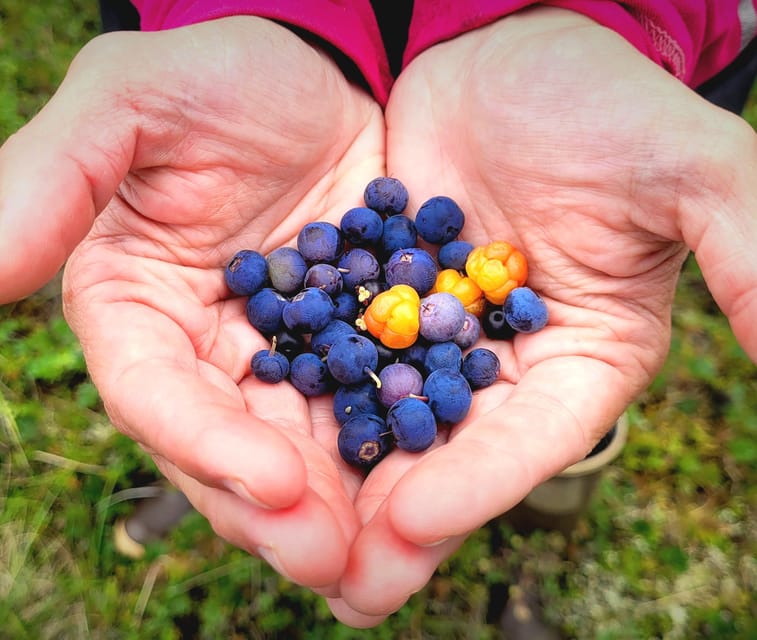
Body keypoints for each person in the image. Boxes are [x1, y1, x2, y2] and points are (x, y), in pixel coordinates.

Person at [1, 0, 755, 629]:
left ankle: (543, 517)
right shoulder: (337, 308)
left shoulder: (438, 295)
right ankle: (212, 483)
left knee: (582, 331)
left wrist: (612, 15)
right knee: (224, 412)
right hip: (277, 83)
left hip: (611, 121)